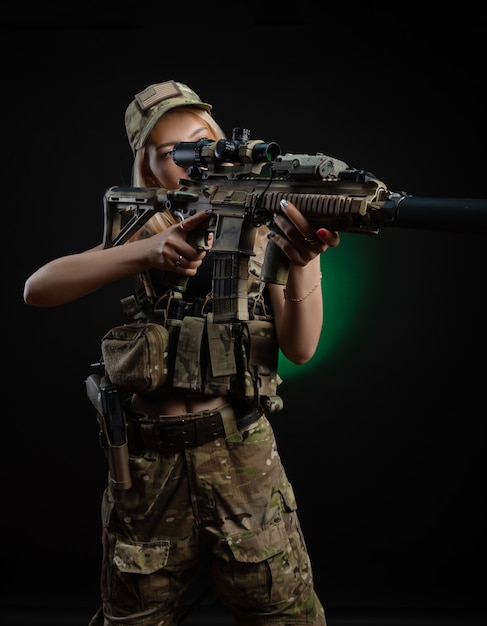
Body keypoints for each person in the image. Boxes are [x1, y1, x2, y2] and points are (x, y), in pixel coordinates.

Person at [23, 80, 340, 626]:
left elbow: (301, 347)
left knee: (283, 615)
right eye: (173, 154)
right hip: (147, 464)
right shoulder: (147, 224)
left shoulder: (264, 227)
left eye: (202, 142)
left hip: (240, 454)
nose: (193, 160)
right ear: (149, 170)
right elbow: (39, 288)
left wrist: (304, 257)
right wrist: (146, 250)